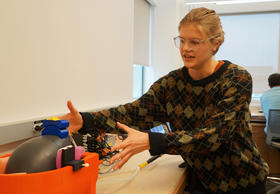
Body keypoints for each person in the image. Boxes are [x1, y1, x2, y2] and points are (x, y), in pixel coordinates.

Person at [60, 7, 268, 194]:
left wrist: (152, 141)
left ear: (216, 43)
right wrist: (85, 121)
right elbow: (133, 113)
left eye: (195, 42)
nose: (185, 48)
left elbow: (215, 137)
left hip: (242, 183)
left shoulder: (236, 78)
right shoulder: (171, 84)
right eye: (182, 40)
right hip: (203, 183)